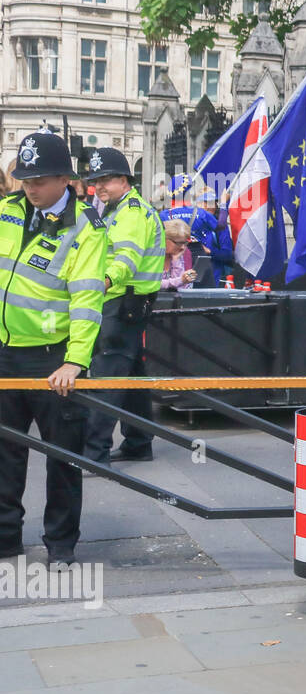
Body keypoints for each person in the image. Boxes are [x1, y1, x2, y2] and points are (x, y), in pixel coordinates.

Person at [0, 132, 108, 567]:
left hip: (53, 358)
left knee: (62, 457)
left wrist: (75, 359)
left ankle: (60, 544)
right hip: (5, 352)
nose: (29, 187)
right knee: (4, 455)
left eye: (39, 180)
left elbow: (86, 300)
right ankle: (6, 539)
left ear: (65, 179)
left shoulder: (86, 228)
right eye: (24, 178)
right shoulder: (7, 212)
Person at [81, 147, 164, 465]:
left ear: (124, 179)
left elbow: (125, 260)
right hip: (128, 302)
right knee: (131, 378)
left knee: (107, 376)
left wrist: (99, 283)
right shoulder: (116, 209)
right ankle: (139, 441)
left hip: (120, 300)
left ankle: (93, 451)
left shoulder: (129, 212)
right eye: (96, 181)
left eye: (107, 179)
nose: (100, 186)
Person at [161, 220, 197, 291]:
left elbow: (179, 289)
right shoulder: (152, 254)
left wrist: (176, 260)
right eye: (179, 243)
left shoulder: (183, 253)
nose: (182, 247)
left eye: (185, 243)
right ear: (165, 239)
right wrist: (180, 280)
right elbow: (153, 284)